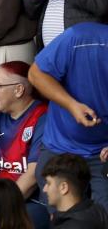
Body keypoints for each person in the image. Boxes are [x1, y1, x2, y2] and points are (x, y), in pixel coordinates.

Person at [29, 22, 108, 207]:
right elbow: (35, 74)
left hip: (103, 152)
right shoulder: (78, 37)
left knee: (104, 213)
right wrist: (71, 105)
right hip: (61, 144)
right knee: (58, 211)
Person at [0, 61, 47, 203]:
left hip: (29, 203)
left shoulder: (43, 117)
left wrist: (5, 206)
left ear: (19, 90)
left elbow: (33, 175)